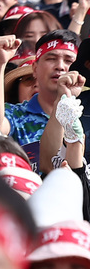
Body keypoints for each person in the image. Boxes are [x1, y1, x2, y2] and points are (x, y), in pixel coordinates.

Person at [6, 30, 81, 169]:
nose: (60, 66)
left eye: (69, 60)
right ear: (35, 68)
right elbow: (48, 167)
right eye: (51, 58)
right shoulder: (12, 114)